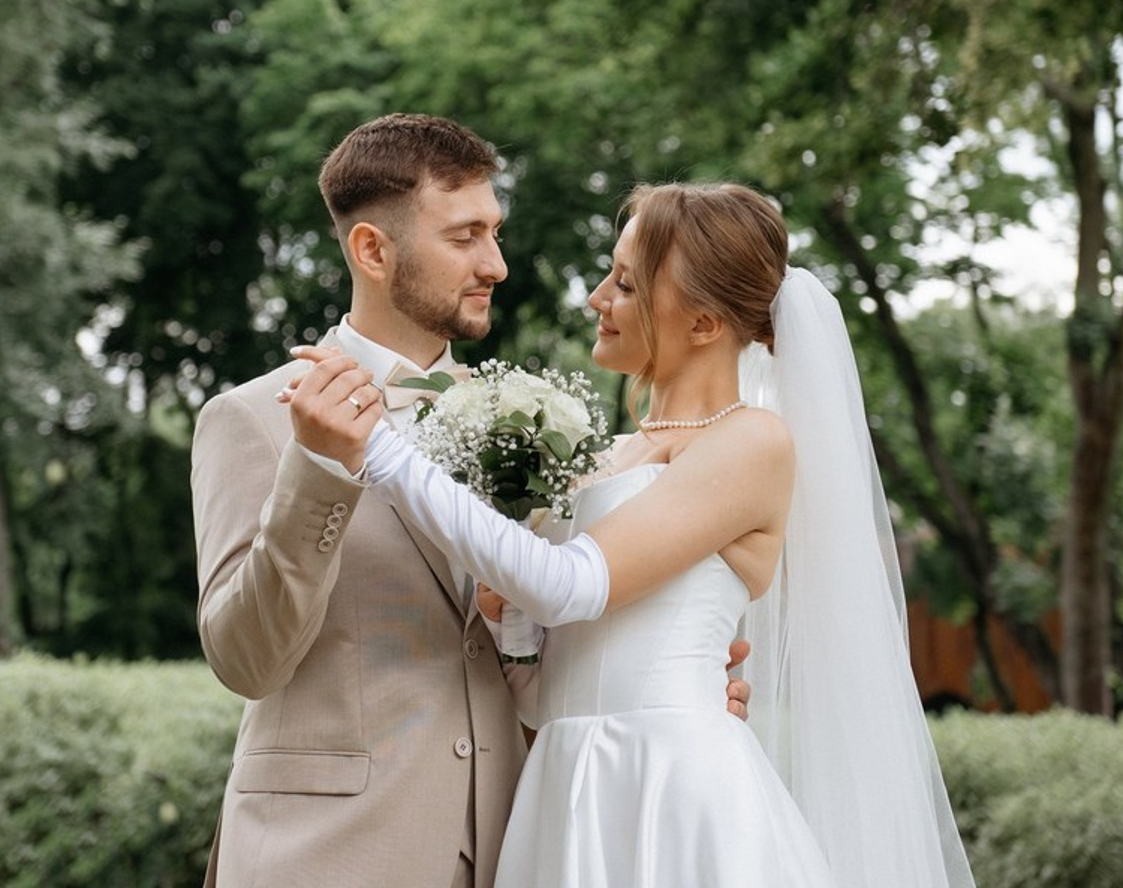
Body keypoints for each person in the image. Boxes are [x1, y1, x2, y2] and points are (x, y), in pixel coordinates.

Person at [288, 181, 976, 888]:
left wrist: (377, 448)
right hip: (566, 780)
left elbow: (571, 586)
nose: (596, 297)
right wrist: (512, 633)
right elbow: (546, 690)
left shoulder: (751, 443)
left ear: (704, 323)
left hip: (670, 784)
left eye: (624, 282)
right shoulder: (605, 455)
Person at [189, 117, 751, 888]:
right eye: (464, 237)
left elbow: (534, 636)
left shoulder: (532, 425)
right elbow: (246, 659)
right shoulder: (251, 419)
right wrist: (319, 467)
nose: (497, 264)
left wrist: (655, 688)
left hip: (514, 849)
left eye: (496, 232)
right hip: (327, 855)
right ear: (372, 251)